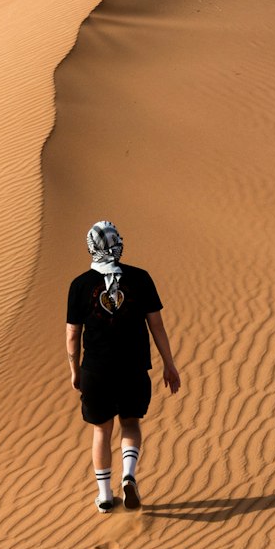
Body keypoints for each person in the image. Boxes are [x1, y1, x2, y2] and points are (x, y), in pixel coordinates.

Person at [66, 220, 181, 513]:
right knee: (130, 423)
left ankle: (105, 496)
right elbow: (157, 325)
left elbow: (72, 333)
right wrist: (169, 365)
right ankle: (128, 474)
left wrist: (75, 370)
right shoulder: (140, 279)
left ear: (91, 247)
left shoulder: (79, 285)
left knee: (101, 431)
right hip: (133, 369)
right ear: (119, 243)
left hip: (96, 370)